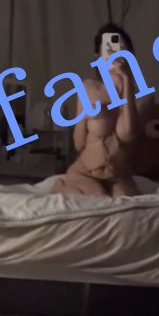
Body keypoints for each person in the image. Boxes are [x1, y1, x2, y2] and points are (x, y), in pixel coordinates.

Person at [53, 23, 143, 197]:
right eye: (110, 49)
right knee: (99, 199)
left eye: (122, 49)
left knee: (126, 201)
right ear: (98, 57)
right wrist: (87, 116)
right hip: (86, 172)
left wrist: (126, 80)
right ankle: (60, 187)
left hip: (119, 175)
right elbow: (78, 144)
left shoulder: (140, 95)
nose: (116, 54)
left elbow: (129, 134)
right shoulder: (88, 88)